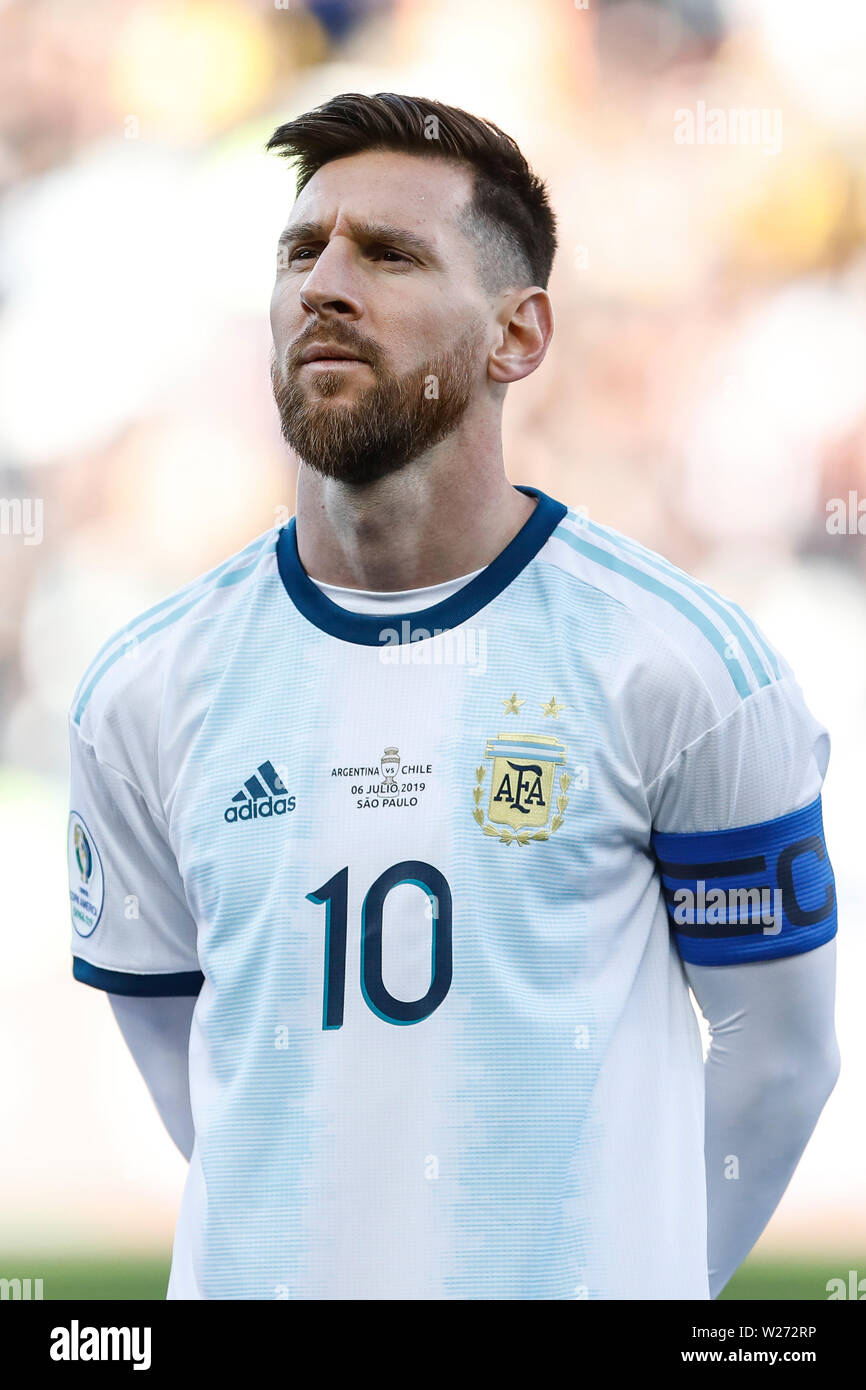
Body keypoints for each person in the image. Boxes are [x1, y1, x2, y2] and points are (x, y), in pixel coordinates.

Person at [67, 92, 839, 1300]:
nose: (323, 283)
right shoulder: (144, 689)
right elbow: (190, 1066)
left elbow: (777, 1055)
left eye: (388, 253)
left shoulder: (679, 666)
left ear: (515, 337)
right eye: (298, 251)